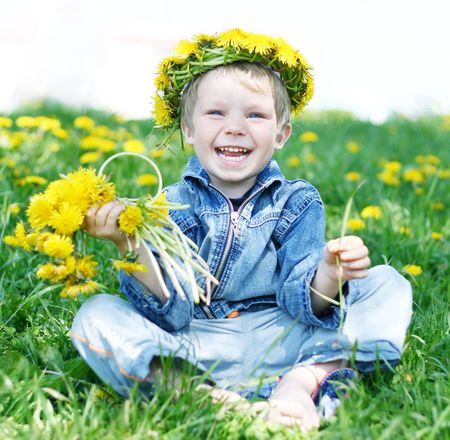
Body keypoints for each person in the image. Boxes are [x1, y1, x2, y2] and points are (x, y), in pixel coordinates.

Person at [70, 29, 412, 431]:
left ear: (281, 134)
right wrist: (131, 244)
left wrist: (330, 274)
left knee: (385, 283)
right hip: (199, 342)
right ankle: (212, 397)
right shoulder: (170, 206)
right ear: (188, 129)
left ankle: (300, 384)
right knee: (96, 314)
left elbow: (300, 298)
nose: (235, 127)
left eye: (255, 114)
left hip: (282, 334)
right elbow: (173, 312)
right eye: (216, 113)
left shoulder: (298, 202)